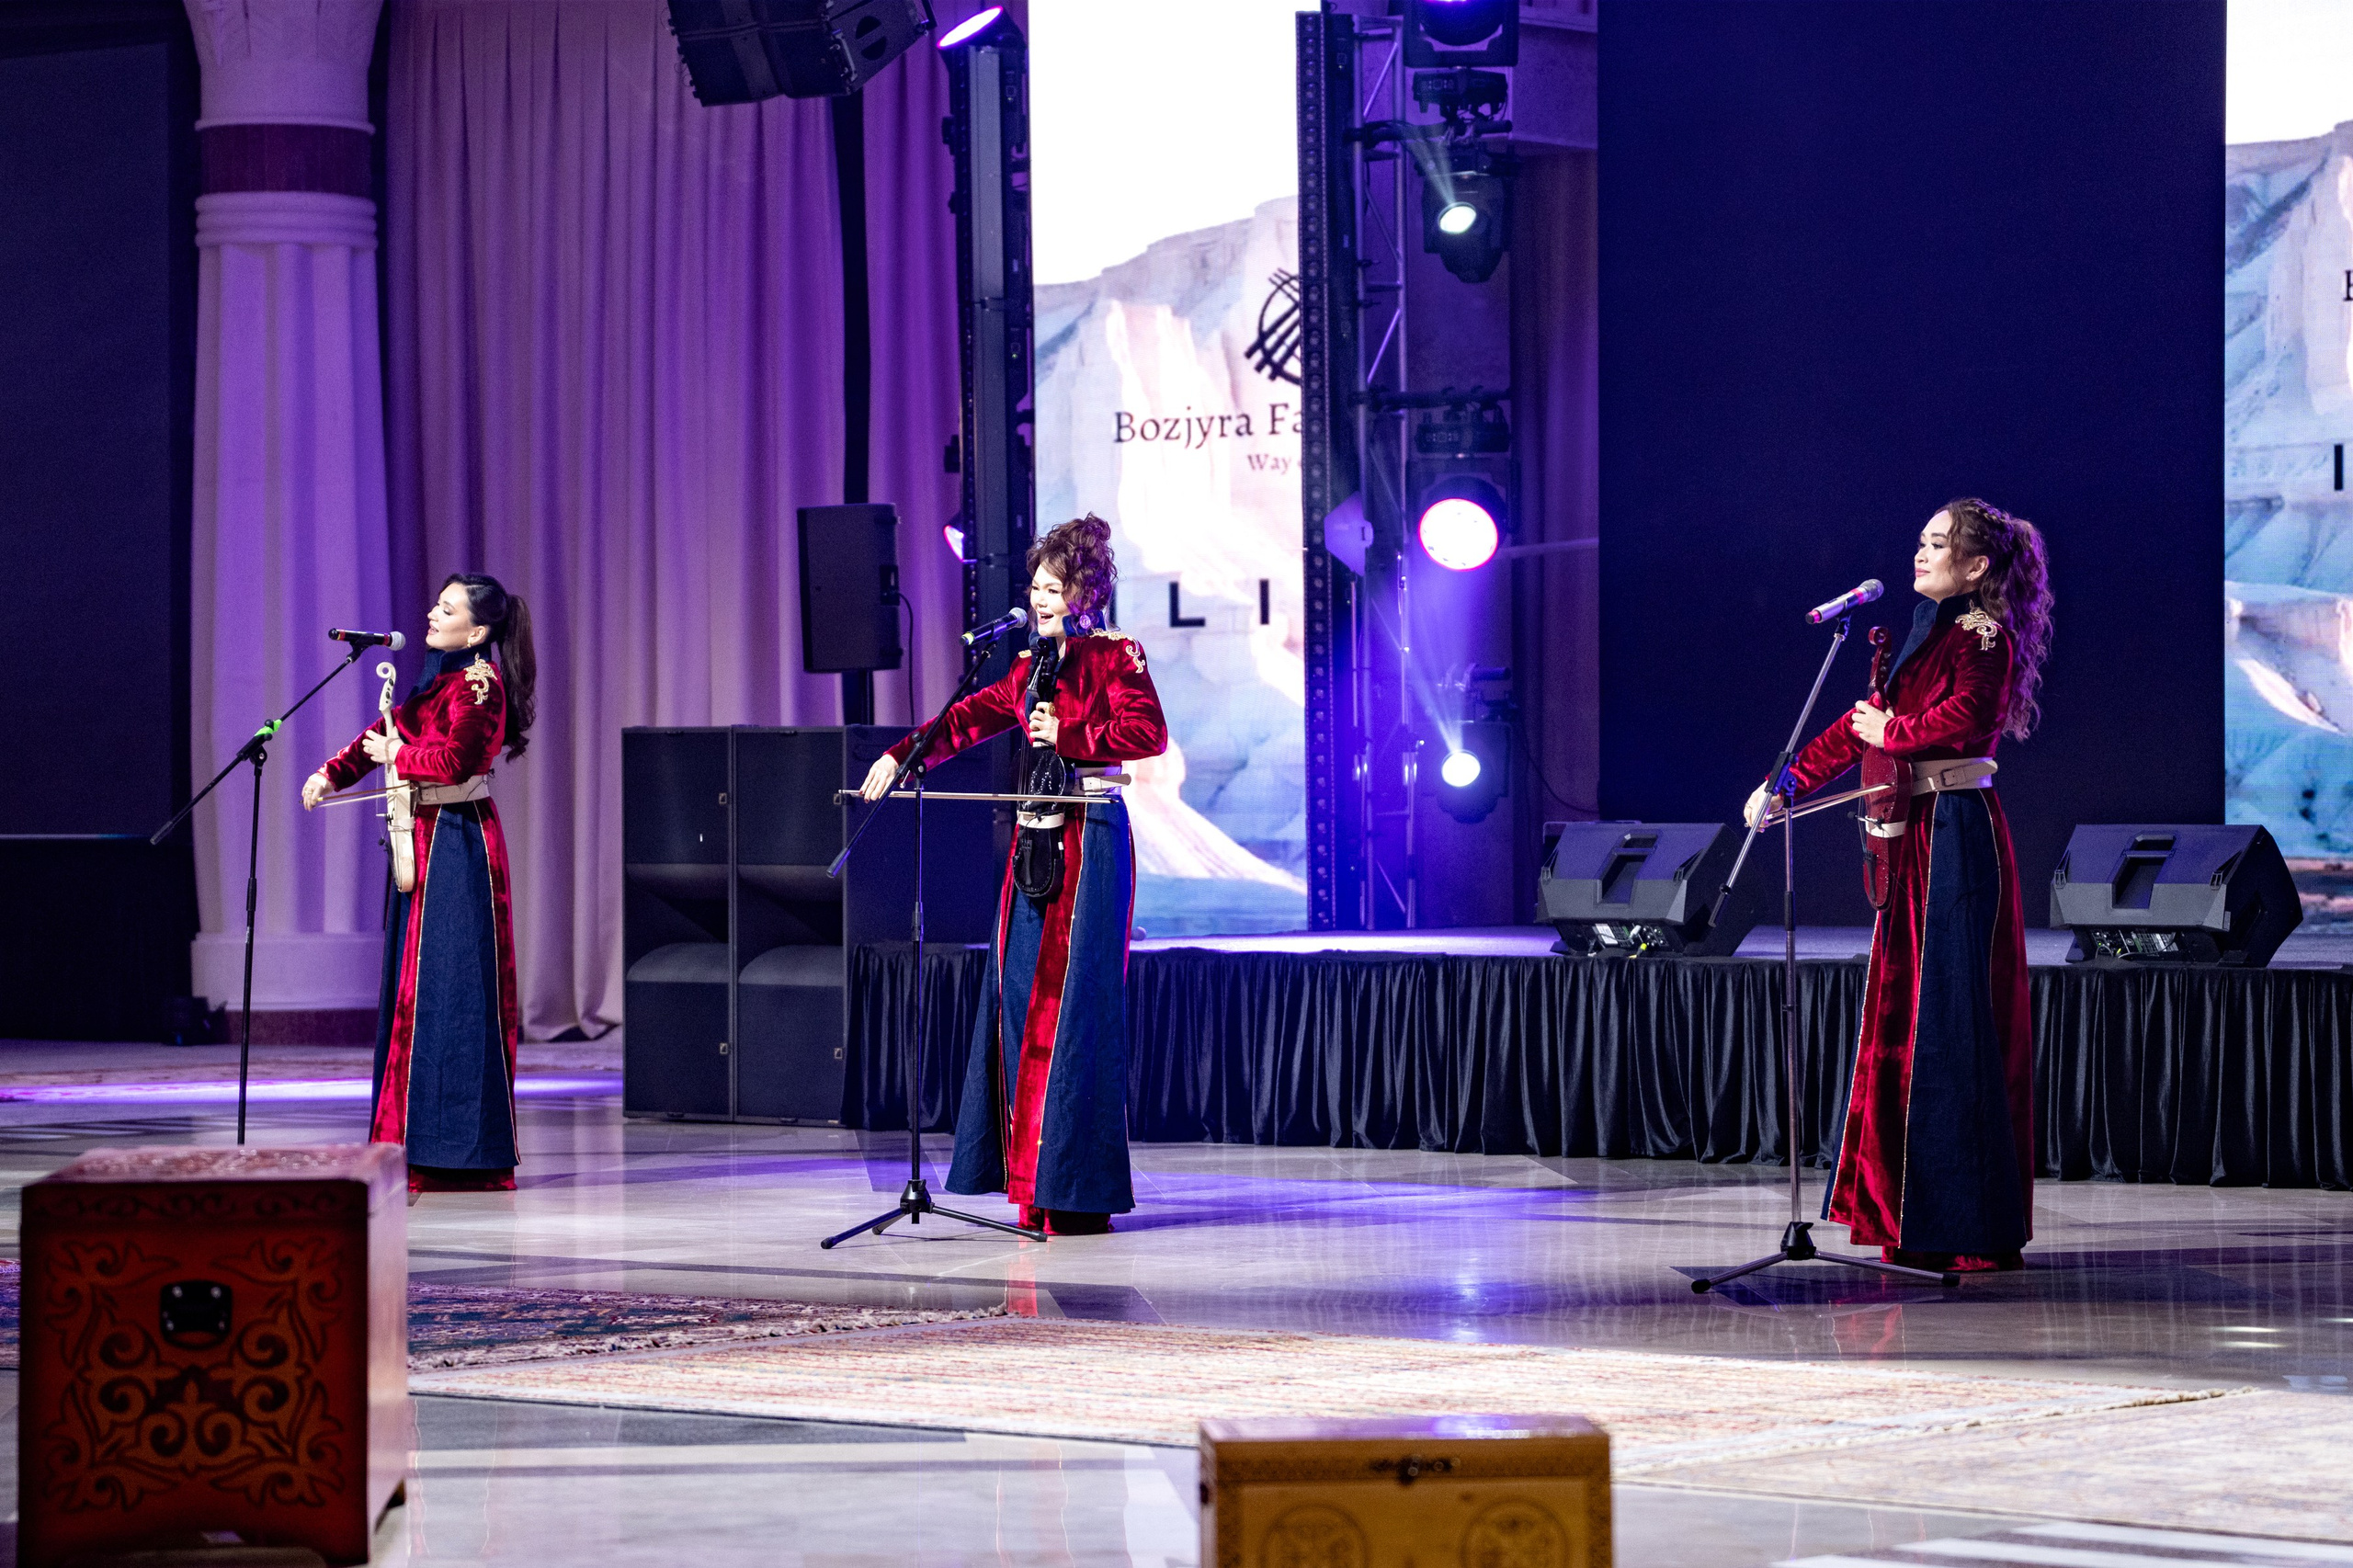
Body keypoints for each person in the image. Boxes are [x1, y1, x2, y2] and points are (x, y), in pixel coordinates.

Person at [1748, 499, 2053, 1271]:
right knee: (1903, 1022)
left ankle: (1963, 1226)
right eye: (1920, 539)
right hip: (1911, 842)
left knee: (1951, 1024)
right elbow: (1860, 726)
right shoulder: (1923, 628)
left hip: (1955, 836)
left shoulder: (1985, 635)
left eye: (1939, 544)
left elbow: (1965, 716)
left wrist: (1897, 735)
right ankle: (1905, 1217)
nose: (1921, 553)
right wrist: (1784, 783)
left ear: (1977, 566)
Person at [859, 516, 1167, 1235]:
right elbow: (972, 717)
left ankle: (1077, 1193)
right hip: (1034, 846)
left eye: (1053, 587)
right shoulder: (1031, 666)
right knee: (1018, 1003)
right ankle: (1031, 1185)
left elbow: (1147, 733)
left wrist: (1072, 735)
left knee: (1074, 1015)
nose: (1039, 598)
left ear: (1084, 593)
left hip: (1090, 839)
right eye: (1035, 586)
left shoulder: (1118, 655)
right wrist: (903, 755)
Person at [304, 574, 537, 1197]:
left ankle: (457, 1151)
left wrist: (394, 759)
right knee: (416, 995)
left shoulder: (479, 688)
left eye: (448, 607)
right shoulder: (436, 684)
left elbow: (455, 762)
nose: (433, 612)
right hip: (422, 843)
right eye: (436, 601)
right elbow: (386, 736)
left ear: (479, 630)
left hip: (458, 846)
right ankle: (412, 1144)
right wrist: (333, 772)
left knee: (452, 994)